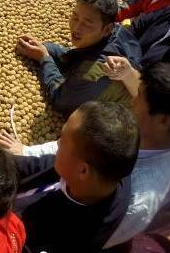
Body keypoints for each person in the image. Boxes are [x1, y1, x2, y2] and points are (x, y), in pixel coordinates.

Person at [0, 64, 170, 248]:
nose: (133, 100)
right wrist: (26, 153)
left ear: (163, 121)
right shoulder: (136, 134)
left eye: (140, 95)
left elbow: (81, 238)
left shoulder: (136, 202)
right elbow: (76, 143)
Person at [11, 101, 137, 252]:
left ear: (83, 171)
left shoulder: (68, 238)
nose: (57, 143)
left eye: (62, 139)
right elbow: (39, 164)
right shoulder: (107, 167)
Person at [15, 0, 142, 114]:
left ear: (107, 29)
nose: (76, 27)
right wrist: (46, 48)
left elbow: (60, 100)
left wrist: (44, 58)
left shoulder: (96, 70)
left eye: (87, 23)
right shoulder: (116, 31)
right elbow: (76, 56)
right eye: (75, 17)